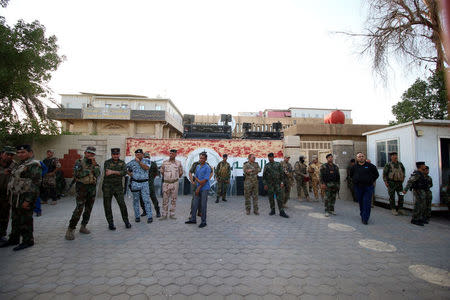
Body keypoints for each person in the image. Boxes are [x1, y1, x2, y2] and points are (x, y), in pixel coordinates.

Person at [0, 145, 41, 251]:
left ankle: (28, 240)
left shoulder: (34, 164)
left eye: (23, 152)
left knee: (25, 220)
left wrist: (28, 200)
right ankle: (14, 239)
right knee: (15, 219)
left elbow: (35, 184)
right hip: (15, 196)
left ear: (30, 152)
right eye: (18, 153)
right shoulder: (20, 164)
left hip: (25, 196)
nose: (20, 155)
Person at [65, 146, 100, 240]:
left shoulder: (95, 163)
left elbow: (98, 174)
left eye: (92, 154)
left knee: (89, 208)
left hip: (91, 188)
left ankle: (83, 226)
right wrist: (88, 171)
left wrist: (94, 165)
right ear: (85, 153)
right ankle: (71, 229)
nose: (90, 155)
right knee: (79, 209)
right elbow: (77, 174)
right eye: (89, 153)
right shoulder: (79, 162)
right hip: (82, 188)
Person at [103, 148, 131, 230]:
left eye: (117, 154)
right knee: (107, 206)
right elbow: (107, 172)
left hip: (118, 187)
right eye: (114, 154)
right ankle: (110, 223)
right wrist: (118, 172)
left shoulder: (122, 163)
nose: (115, 156)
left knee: (122, 204)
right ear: (112, 155)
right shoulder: (107, 162)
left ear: (119, 154)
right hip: (107, 187)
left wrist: (113, 172)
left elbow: (124, 172)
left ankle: (126, 221)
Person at [350, 152, 379, 225]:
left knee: (367, 202)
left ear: (365, 157)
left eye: (362, 156)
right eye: (359, 156)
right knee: (361, 202)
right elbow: (351, 175)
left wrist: (371, 180)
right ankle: (362, 214)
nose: (361, 157)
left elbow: (376, 175)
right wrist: (355, 180)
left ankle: (365, 218)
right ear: (357, 158)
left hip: (368, 187)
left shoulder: (371, 166)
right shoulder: (354, 167)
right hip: (358, 187)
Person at [185, 152, 211, 228]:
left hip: (204, 189)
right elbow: (195, 176)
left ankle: (203, 221)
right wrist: (196, 181)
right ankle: (193, 219)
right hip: (197, 187)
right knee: (194, 204)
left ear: (206, 159)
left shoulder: (207, 167)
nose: (201, 159)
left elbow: (205, 180)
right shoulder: (198, 166)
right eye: (200, 158)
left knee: (203, 205)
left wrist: (198, 187)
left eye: (203, 158)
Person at [127, 149, 153, 223]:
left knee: (146, 200)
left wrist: (139, 162)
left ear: (142, 154)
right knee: (135, 200)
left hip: (144, 183)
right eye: (136, 155)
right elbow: (125, 167)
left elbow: (146, 168)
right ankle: (137, 216)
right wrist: (129, 173)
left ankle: (149, 216)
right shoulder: (132, 162)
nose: (138, 156)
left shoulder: (147, 161)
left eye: (139, 154)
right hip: (135, 183)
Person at [263, 153, 289, 218]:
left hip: (277, 184)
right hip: (270, 185)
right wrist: (265, 184)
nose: (270, 158)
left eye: (271, 157)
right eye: (269, 157)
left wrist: (282, 182)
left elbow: (282, 174)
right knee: (271, 198)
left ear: (273, 157)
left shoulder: (278, 164)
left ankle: (281, 211)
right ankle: (273, 210)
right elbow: (264, 176)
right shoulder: (267, 165)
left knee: (279, 198)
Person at [403, 162, 428, 226]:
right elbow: (410, 181)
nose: (425, 166)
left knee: (422, 205)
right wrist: (405, 190)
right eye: (424, 165)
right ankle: (415, 219)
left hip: (422, 191)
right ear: (421, 166)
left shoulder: (421, 173)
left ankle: (419, 218)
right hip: (418, 191)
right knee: (418, 205)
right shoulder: (416, 174)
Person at [160, 149, 183, 220]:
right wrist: (167, 177)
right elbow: (162, 171)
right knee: (165, 199)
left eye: (173, 154)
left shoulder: (178, 163)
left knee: (173, 199)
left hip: (174, 183)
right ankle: (164, 214)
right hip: (166, 183)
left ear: (176, 154)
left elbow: (181, 172)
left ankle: (172, 214)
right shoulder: (165, 162)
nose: (171, 155)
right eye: (170, 153)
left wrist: (174, 178)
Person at [0, 146, 16, 242]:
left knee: (4, 215)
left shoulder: (14, 165)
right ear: (2, 154)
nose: (9, 156)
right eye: (7, 154)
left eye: (11, 155)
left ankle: (2, 234)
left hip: (6, 194)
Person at [140, 152, 161, 218]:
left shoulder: (153, 164)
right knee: (141, 199)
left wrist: (151, 179)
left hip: (150, 185)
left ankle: (158, 212)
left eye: (147, 157)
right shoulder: (141, 164)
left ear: (149, 157)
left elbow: (156, 173)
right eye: (145, 157)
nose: (146, 158)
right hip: (142, 185)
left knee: (153, 198)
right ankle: (144, 211)